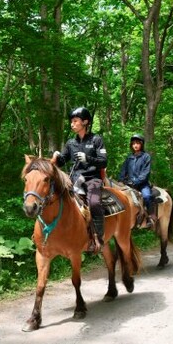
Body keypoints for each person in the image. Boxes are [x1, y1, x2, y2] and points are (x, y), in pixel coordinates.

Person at [53, 107, 107, 252]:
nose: (72, 124)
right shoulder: (71, 143)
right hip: (75, 180)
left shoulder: (96, 139)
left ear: (85, 122)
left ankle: (99, 239)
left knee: (94, 203)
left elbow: (103, 162)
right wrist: (57, 157)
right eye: (71, 121)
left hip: (92, 179)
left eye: (75, 121)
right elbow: (61, 161)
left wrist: (87, 158)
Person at [118, 134, 156, 228]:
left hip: (142, 184)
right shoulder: (129, 158)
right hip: (129, 184)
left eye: (138, 143)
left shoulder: (146, 157)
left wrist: (135, 182)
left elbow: (145, 173)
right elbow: (123, 170)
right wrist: (121, 180)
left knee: (147, 196)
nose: (135, 145)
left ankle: (151, 217)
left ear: (141, 145)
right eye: (134, 143)